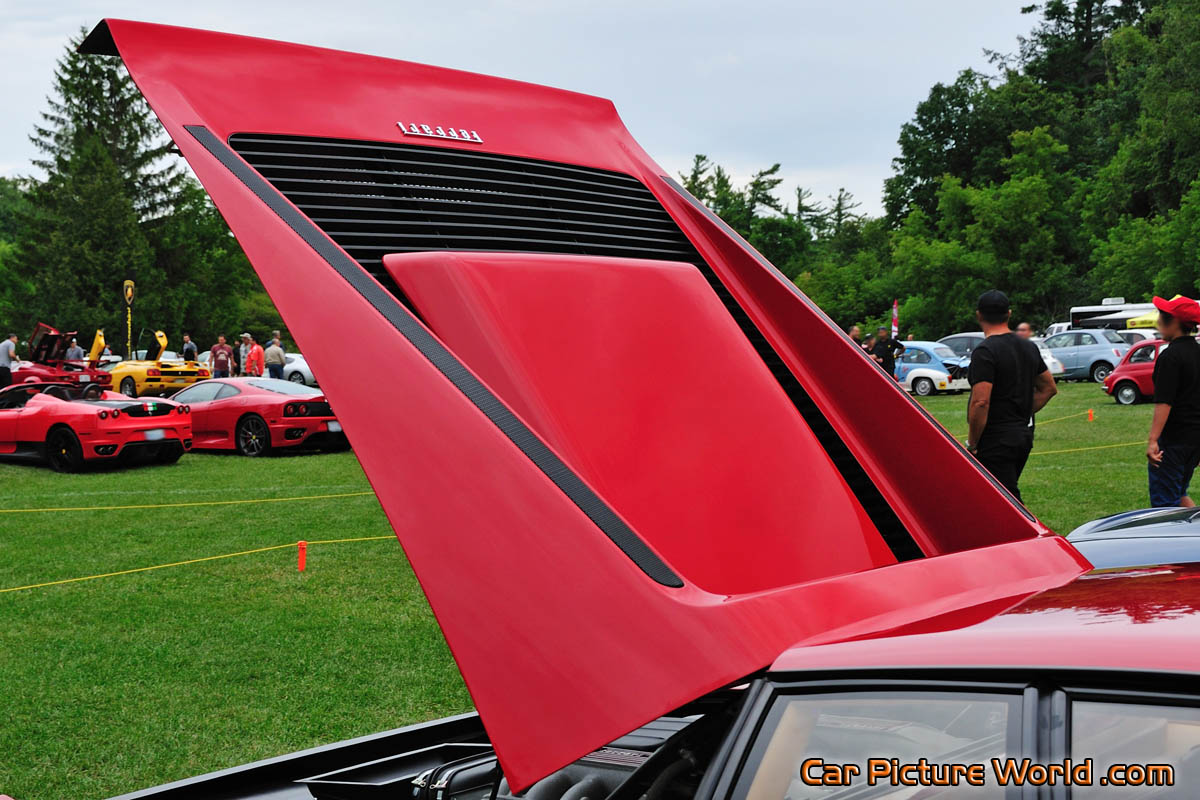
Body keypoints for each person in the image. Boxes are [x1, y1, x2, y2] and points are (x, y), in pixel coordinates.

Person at [966, 290, 1057, 502]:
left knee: (1005, 501)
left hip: (995, 439)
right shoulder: (1028, 347)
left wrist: (972, 442)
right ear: (1009, 314)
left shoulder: (985, 351)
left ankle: (1033, 535)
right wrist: (1021, 412)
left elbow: (981, 402)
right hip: (1022, 435)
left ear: (979, 315)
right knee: (1000, 495)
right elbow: (1048, 388)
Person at [1145, 296, 1200, 507]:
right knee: (1179, 494)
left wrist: (1153, 441)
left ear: (1174, 321)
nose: (1158, 321)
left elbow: (1164, 402)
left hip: (1173, 442)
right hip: (1194, 441)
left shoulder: (1171, 357)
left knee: (1165, 508)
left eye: (1161, 316)